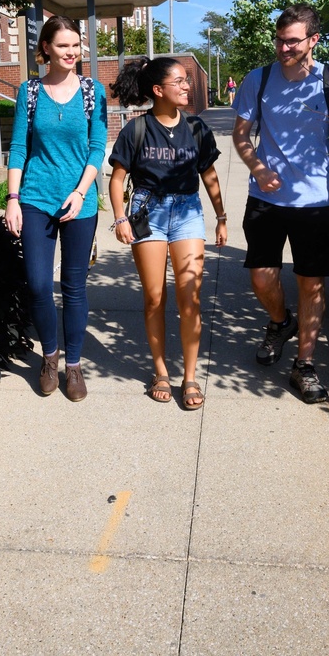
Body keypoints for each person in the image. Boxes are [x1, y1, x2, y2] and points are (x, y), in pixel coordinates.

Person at [230, 4, 329, 403]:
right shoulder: (259, 79)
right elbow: (241, 134)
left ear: (313, 40)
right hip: (266, 198)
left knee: (312, 282)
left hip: (315, 201)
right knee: (261, 277)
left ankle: (304, 365)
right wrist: (255, 166)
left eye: (292, 40)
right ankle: (279, 322)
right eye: (279, 39)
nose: (283, 47)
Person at [108, 57, 227, 409]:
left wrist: (221, 215)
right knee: (155, 297)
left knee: (190, 298)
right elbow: (117, 179)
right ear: (158, 90)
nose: (187, 86)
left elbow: (209, 174)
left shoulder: (196, 127)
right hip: (149, 212)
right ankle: (160, 371)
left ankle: (190, 377)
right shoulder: (137, 129)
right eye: (180, 81)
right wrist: (120, 219)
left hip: (188, 210)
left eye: (188, 80)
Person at [5, 16, 107, 402]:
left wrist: (82, 192)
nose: (72, 53)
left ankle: (74, 366)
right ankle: (50, 357)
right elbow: (18, 147)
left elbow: (97, 146)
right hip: (35, 197)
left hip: (79, 202)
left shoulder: (92, 91)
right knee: (38, 284)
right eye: (64, 46)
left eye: (76, 45)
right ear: (45, 48)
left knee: (75, 287)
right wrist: (13, 199)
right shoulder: (29, 91)